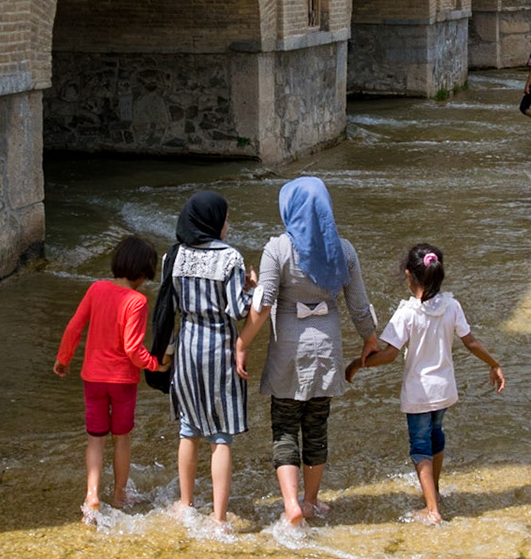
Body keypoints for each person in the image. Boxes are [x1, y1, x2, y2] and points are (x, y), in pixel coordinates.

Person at [234, 178, 379, 527]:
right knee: (316, 426)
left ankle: (290, 503)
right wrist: (370, 339)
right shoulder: (343, 250)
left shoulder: (278, 249)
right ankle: (311, 501)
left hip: (289, 348)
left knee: (285, 425)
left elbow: (263, 304)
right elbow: (358, 305)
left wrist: (242, 342)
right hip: (326, 346)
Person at [346, 244, 504, 525]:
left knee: (420, 447)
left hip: (419, 394)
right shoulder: (452, 306)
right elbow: (470, 342)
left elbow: (390, 354)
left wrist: (357, 364)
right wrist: (494, 364)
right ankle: (435, 493)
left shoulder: (407, 312)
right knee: (436, 437)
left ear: (409, 275)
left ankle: (432, 509)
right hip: (444, 390)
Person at [160, 191, 254, 527]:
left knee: (189, 428)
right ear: (213, 221)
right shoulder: (230, 258)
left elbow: (169, 306)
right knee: (221, 433)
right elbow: (239, 310)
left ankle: (185, 504)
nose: (228, 224)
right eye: (226, 218)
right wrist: (253, 288)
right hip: (219, 348)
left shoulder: (173, 256)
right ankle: (219, 518)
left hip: (187, 345)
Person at [53, 235, 161, 520]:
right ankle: (120, 495)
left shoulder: (96, 288)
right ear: (142, 272)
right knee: (121, 439)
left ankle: (91, 495)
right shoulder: (137, 301)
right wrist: (154, 365)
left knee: (95, 440)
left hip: (93, 379)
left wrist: (64, 358)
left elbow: (74, 327)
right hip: (122, 382)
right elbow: (133, 348)